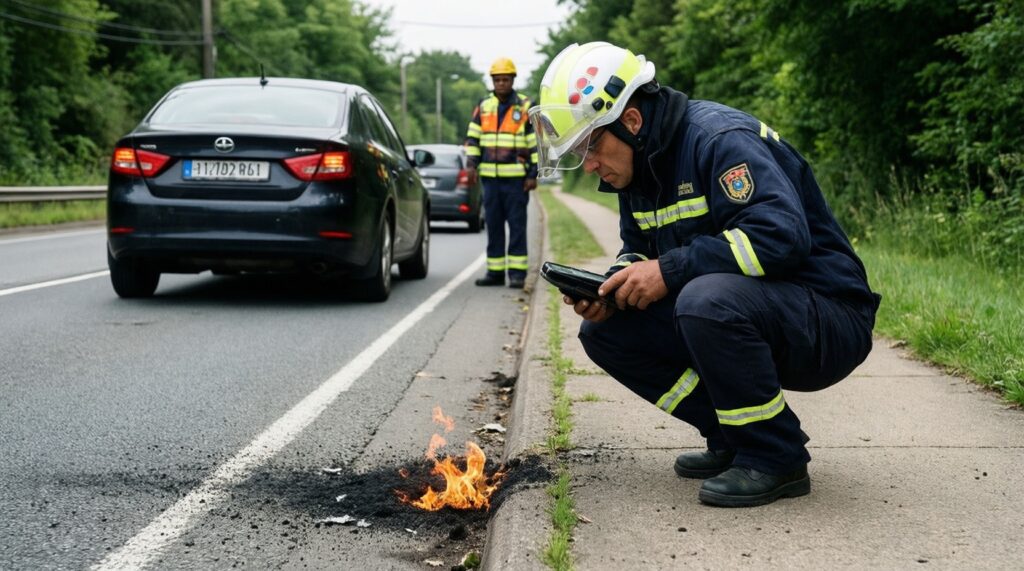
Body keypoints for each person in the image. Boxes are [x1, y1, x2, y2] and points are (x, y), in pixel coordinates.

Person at [528, 42, 881, 507]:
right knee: (604, 331)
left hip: (828, 317)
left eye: (590, 145)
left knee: (705, 300)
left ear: (631, 121)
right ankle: (733, 437)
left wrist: (670, 270)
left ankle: (776, 456)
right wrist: (612, 289)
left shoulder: (717, 139)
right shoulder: (638, 172)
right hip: (759, 310)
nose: (589, 165)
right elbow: (638, 250)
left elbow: (781, 239)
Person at [464, 57, 539, 289]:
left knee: (517, 226)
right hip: (490, 179)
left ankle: (517, 274)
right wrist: (471, 165)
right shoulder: (484, 106)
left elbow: (534, 142)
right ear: (493, 81)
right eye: (497, 80)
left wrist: (533, 174)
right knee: (494, 226)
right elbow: (474, 137)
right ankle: (495, 272)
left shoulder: (525, 106)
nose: (501, 83)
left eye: (506, 79)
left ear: (513, 80)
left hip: (516, 180)